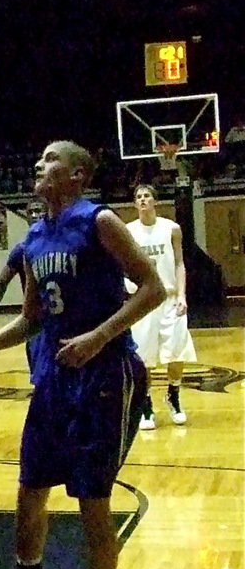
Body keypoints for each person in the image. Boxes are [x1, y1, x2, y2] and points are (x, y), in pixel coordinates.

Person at [0, 141, 164, 569]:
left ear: (75, 174)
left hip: (104, 376)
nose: (37, 163)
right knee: (30, 491)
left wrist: (98, 336)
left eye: (49, 159)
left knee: (92, 500)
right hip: (51, 380)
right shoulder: (33, 237)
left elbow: (152, 287)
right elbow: (31, 319)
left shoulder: (99, 221)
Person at [125, 184, 196, 429]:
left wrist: (182, 295)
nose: (143, 200)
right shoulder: (128, 232)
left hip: (169, 299)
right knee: (143, 358)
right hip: (143, 302)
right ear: (135, 204)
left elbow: (179, 263)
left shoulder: (171, 229)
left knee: (177, 352)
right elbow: (123, 267)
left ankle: (173, 396)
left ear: (155, 201)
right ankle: (146, 406)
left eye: (147, 196)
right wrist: (130, 287)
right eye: (139, 197)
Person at [0, 200, 47, 376]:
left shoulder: (61, 243)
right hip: (34, 321)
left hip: (61, 320)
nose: (34, 215)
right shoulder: (22, 250)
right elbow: (1, 282)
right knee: (39, 378)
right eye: (31, 212)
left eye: (38, 210)